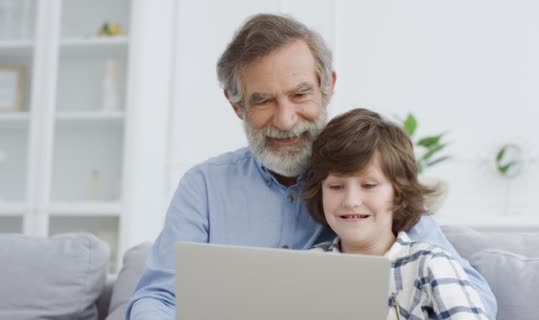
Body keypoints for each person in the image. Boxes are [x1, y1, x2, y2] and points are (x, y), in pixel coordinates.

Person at [126, 13, 497, 319]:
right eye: (262, 101)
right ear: (236, 105)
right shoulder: (204, 186)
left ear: (327, 86)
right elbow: (158, 297)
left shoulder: (373, 181)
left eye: (300, 94)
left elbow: (472, 295)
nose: (286, 120)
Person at [303, 108, 489, 319]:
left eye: (369, 185)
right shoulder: (306, 267)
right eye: (336, 187)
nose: (351, 201)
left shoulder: (430, 264)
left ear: (399, 194)